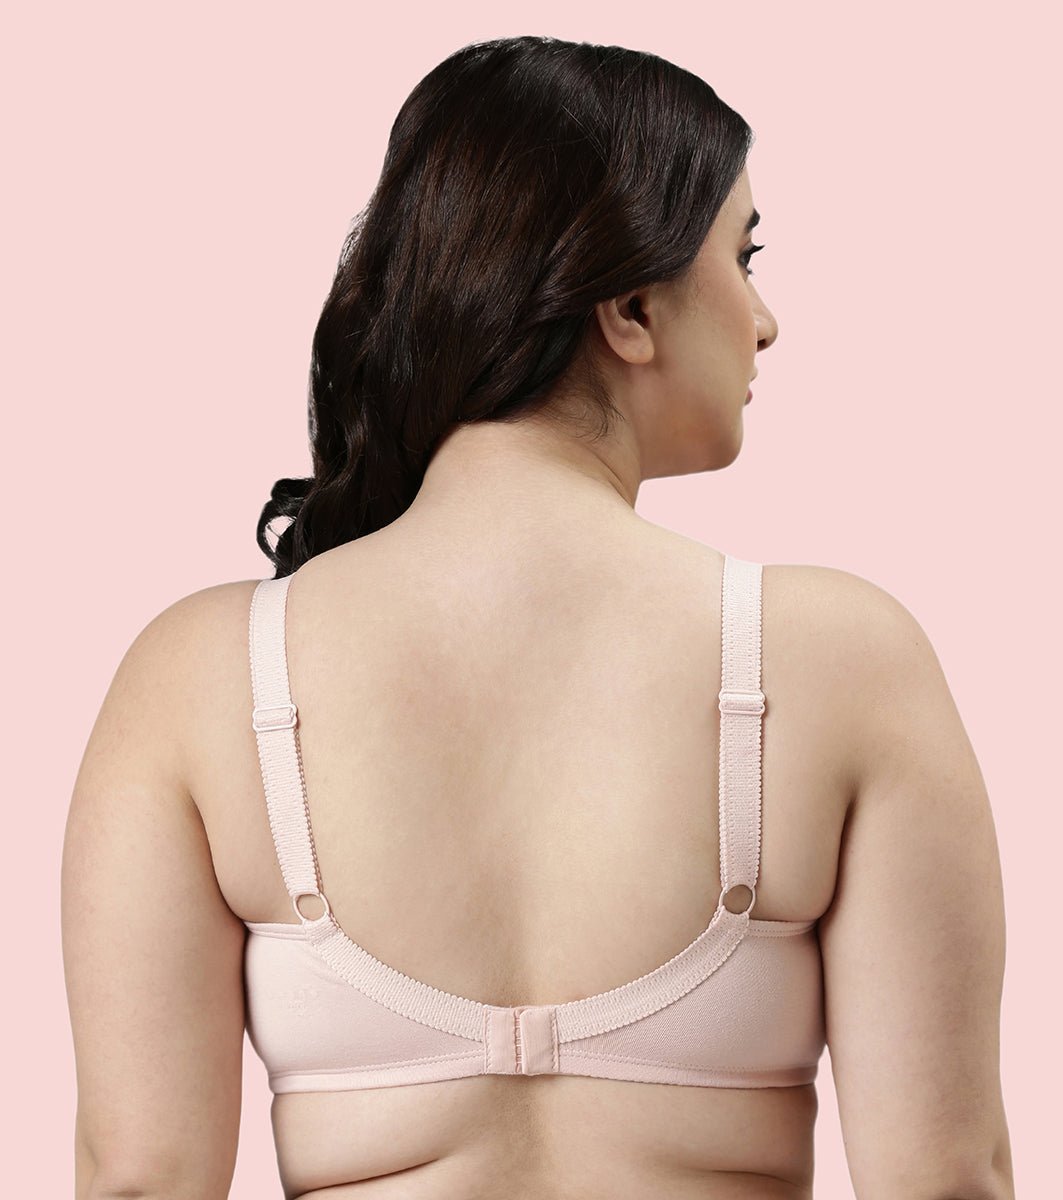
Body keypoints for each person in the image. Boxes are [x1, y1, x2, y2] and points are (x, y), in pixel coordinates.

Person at [61, 34, 1014, 1200]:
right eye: (743, 256)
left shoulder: (201, 678)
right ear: (630, 307)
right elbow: (945, 1180)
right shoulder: (840, 660)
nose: (765, 321)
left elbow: (141, 1181)